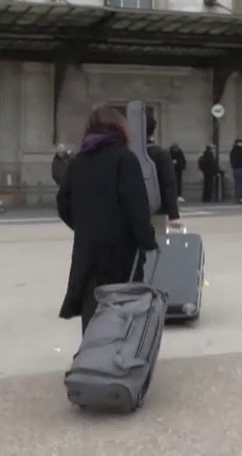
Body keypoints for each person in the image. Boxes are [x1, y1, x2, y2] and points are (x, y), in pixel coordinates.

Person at [57, 105, 158, 333]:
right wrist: (148, 241)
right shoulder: (125, 158)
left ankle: (92, 351)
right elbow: (137, 207)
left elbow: (63, 202)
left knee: (93, 308)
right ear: (121, 127)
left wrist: (84, 225)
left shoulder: (78, 162)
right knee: (121, 310)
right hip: (121, 251)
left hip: (88, 250)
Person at [145, 116, 183, 238]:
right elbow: (169, 184)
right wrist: (174, 215)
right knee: (157, 240)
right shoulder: (160, 154)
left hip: (128, 212)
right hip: (156, 209)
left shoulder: (126, 153)